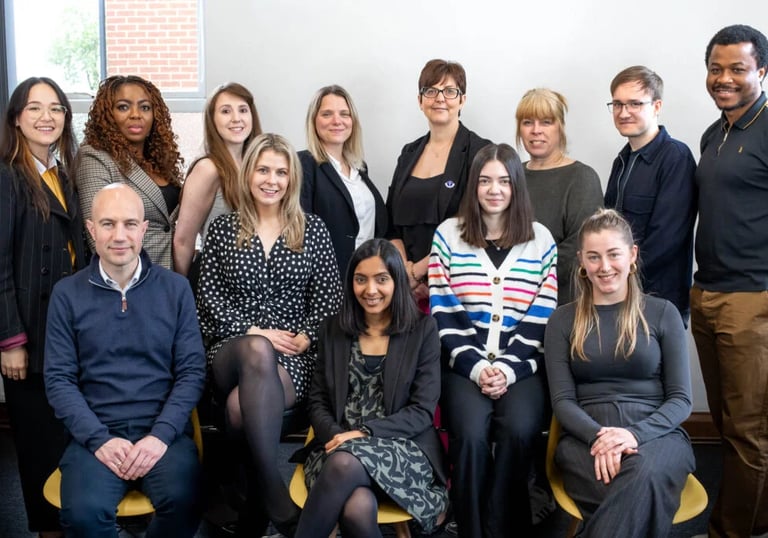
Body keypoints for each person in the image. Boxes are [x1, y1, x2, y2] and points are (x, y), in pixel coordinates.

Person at [196, 133, 342, 535]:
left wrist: (307, 336)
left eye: (280, 172)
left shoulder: (313, 230)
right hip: (231, 347)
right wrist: (253, 330)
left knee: (238, 409)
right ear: (248, 175)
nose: (271, 180)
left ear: (291, 179)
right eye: (263, 170)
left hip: (292, 355)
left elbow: (329, 300)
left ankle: (256, 504)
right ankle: (277, 496)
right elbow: (208, 297)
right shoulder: (223, 229)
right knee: (256, 349)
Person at [44, 183, 206, 537]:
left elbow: (192, 372)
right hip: (95, 434)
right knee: (84, 514)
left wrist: (160, 436)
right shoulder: (66, 294)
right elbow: (58, 380)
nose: (119, 236)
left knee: (186, 500)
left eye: (130, 224)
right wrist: (98, 439)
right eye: (108, 224)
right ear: (91, 229)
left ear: (144, 229)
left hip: (161, 433)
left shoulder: (176, 289)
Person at [429, 143, 558, 537]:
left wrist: (506, 368)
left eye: (504, 181)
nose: (494, 189)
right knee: (469, 436)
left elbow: (543, 312)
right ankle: (471, 527)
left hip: (522, 367)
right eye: (485, 181)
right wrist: (477, 367)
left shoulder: (540, 239)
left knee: (519, 430)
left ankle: (502, 526)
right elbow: (443, 308)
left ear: (517, 185)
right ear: (473, 186)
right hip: (462, 365)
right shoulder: (448, 235)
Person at [544, 208, 694, 538]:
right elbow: (563, 401)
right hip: (586, 439)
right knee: (640, 490)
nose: (605, 266)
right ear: (581, 261)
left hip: (657, 435)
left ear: (632, 255)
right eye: (594, 257)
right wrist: (602, 438)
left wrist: (634, 435)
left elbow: (681, 399)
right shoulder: (562, 321)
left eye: (614, 254)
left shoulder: (663, 313)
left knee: (643, 474)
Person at [295, 238, 448, 538]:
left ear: (397, 281)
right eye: (361, 279)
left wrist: (363, 433)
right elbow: (318, 402)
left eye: (381, 279)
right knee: (357, 505)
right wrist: (338, 436)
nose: (371, 290)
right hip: (337, 443)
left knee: (343, 464)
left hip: (402, 448)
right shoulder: (333, 329)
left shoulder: (422, 330)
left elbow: (422, 411)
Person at [691, 24, 768, 537]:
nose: (724, 78)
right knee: (726, 422)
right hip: (707, 293)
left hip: (753, 299)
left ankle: (735, 531)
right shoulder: (712, 133)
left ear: (762, 71)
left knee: (749, 430)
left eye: (737, 69)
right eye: (716, 69)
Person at [0, 77, 86, 538]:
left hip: (68, 329)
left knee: (66, 437)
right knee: (38, 444)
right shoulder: (7, 176)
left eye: (56, 108)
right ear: (17, 118)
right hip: (28, 335)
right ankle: (49, 530)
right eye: (34, 108)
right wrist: (10, 340)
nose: (46, 117)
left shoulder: (62, 174)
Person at [387, 58, 491, 307]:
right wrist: (404, 273)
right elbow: (390, 224)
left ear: (462, 100)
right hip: (405, 291)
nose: (440, 98)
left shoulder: (481, 152)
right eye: (431, 91)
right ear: (420, 100)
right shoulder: (408, 153)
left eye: (450, 91)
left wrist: (419, 272)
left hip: (458, 287)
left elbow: (478, 224)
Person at [604, 66, 697, 323]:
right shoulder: (621, 161)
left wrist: (618, 276)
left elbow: (666, 239)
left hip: (657, 303)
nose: (624, 112)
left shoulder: (675, 158)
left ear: (657, 106)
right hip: (620, 296)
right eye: (618, 104)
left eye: (635, 103)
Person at [75, 75, 184, 269]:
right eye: (123, 107)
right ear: (107, 115)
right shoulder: (94, 157)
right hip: (127, 278)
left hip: (169, 275)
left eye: (145, 107)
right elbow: (98, 238)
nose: (136, 114)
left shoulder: (159, 160)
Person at [515, 88, 603, 306]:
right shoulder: (510, 176)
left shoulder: (582, 178)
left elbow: (579, 247)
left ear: (560, 127)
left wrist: (519, 274)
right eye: (527, 122)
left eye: (546, 122)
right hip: (510, 302)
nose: (536, 130)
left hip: (562, 304)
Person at [174, 82, 261, 277]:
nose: (236, 118)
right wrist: (183, 291)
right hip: (214, 279)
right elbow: (183, 241)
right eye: (225, 111)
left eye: (243, 110)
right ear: (212, 119)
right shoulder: (208, 169)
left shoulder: (259, 167)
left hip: (252, 280)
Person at [298, 85, 387, 278]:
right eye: (327, 114)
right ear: (314, 121)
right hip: (327, 280)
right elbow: (300, 231)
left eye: (344, 114)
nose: (337, 121)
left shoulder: (360, 167)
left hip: (365, 279)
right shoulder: (303, 164)